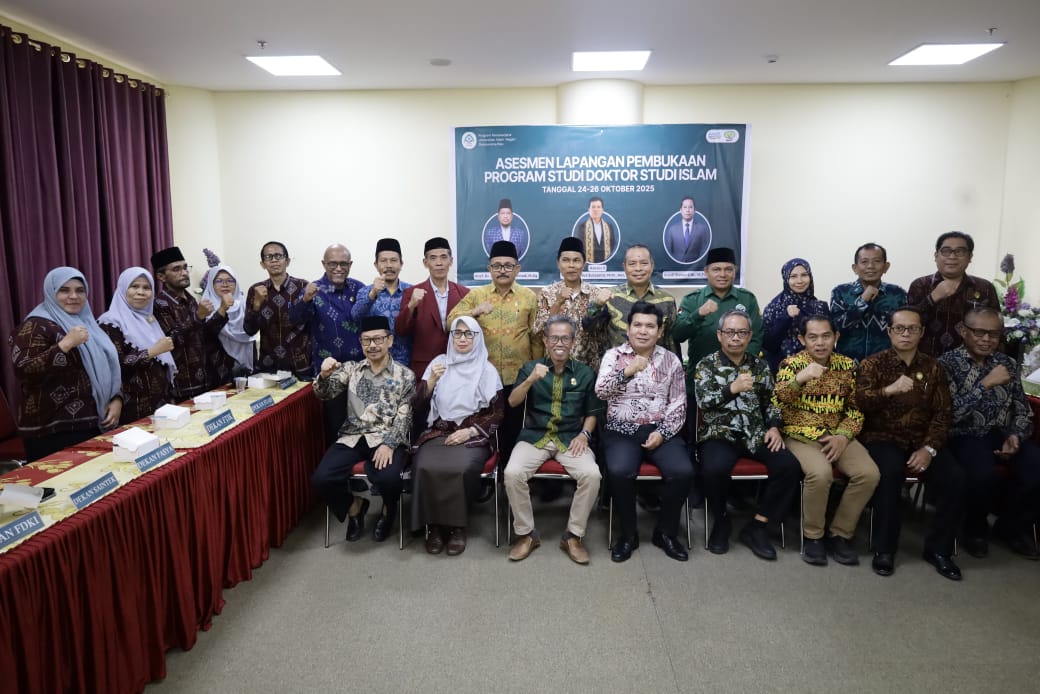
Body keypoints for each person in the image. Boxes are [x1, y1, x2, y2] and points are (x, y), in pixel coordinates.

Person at [856, 306, 964, 579]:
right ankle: (884, 549)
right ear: (889, 331)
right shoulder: (872, 364)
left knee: (955, 478)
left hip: (922, 440)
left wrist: (929, 448)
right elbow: (860, 404)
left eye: (912, 329)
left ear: (921, 332)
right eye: (900, 328)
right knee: (890, 474)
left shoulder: (933, 367)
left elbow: (943, 413)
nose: (906, 334)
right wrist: (888, 390)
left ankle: (939, 550)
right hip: (883, 437)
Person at [693, 310, 801, 560]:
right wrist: (731, 388)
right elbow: (703, 401)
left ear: (750, 336)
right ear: (719, 335)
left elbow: (772, 402)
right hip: (720, 432)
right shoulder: (706, 365)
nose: (736, 337)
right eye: (730, 332)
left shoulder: (759, 365)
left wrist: (774, 426)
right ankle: (721, 520)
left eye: (742, 332)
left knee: (789, 466)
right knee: (713, 469)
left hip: (755, 432)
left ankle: (758, 525)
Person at [773, 314, 879, 567]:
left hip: (837, 434)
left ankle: (840, 534)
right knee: (820, 474)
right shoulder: (791, 364)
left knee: (868, 474)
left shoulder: (847, 366)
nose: (820, 343)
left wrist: (843, 436)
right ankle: (813, 537)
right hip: (800, 434)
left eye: (825, 336)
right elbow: (777, 401)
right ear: (802, 339)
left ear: (836, 337)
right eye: (813, 337)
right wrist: (800, 379)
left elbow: (855, 409)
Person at [939, 307, 1040, 559]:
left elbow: (1023, 410)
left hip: (1002, 433)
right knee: (981, 474)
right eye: (979, 332)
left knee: (1036, 467)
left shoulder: (1008, 364)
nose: (986, 339)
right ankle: (974, 529)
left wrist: (1015, 435)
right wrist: (985, 384)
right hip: (963, 435)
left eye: (993, 334)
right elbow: (947, 416)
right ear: (964, 332)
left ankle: (1010, 528)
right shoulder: (946, 364)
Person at [596, 302, 692, 562]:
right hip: (622, 430)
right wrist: (627, 371)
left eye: (650, 326)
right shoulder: (613, 356)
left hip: (661, 430)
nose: (643, 331)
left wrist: (663, 432)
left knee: (682, 472)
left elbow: (678, 403)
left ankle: (666, 533)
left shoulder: (671, 360)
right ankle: (628, 535)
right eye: (637, 325)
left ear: (659, 332)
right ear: (628, 329)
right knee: (620, 471)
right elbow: (601, 392)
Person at [504, 316, 603, 564]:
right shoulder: (531, 367)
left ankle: (573, 536)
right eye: (555, 338)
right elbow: (513, 402)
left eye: (565, 338)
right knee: (512, 473)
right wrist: (530, 380)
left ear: (573, 342)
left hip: (570, 437)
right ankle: (526, 534)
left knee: (592, 475)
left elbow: (592, 412)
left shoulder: (585, 373)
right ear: (546, 340)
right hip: (535, 436)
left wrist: (584, 434)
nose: (560, 343)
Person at [310, 316, 415, 543]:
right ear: (361, 343)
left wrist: (389, 444)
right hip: (353, 436)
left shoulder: (405, 375)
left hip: (386, 437)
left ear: (389, 341)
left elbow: (405, 416)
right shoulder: (351, 369)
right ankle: (355, 506)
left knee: (389, 478)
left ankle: (388, 509)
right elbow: (324, 394)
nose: (372, 345)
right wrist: (324, 375)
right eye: (367, 340)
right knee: (321, 479)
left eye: (378, 339)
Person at [411, 317, 503, 555]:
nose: (462, 338)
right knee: (423, 465)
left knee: (461, 468)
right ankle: (434, 526)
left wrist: (470, 431)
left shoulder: (486, 369)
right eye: (457, 333)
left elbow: (498, 412)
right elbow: (417, 404)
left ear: (477, 338)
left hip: (472, 434)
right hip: (440, 431)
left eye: (468, 333)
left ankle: (457, 527)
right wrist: (431, 380)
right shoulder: (439, 363)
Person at [10, 267, 122, 461]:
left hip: (95, 423)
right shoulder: (35, 325)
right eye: (64, 290)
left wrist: (116, 399)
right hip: (53, 431)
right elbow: (24, 369)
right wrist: (65, 345)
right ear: (51, 293)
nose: (74, 296)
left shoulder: (88, 323)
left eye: (80, 290)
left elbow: (110, 367)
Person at [448, 240, 543, 458]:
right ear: (489, 268)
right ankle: (487, 474)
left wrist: (535, 374)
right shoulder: (476, 296)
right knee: (484, 430)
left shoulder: (528, 297)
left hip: (518, 378)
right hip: (483, 377)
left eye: (508, 265)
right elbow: (450, 323)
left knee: (514, 430)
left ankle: (510, 472)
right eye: (497, 265)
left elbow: (536, 338)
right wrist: (474, 312)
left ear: (517, 269)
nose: (502, 270)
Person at [289, 243, 365, 443]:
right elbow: (295, 320)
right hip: (330, 373)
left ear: (350, 265)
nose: (338, 268)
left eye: (343, 264)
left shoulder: (359, 288)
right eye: (333, 264)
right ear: (324, 264)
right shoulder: (313, 290)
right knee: (336, 429)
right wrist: (305, 300)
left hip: (360, 370)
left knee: (363, 425)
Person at [97, 267, 175, 424]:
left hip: (160, 404)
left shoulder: (149, 319)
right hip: (131, 406)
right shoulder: (109, 322)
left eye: (146, 288)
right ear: (123, 289)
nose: (141, 292)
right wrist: (153, 351)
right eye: (134, 286)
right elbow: (115, 365)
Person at [583, 244, 680, 368]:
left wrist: (677, 369)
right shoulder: (611, 297)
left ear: (652, 266)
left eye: (644, 263)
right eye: (632, 264)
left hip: (656, 372)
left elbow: (671, 341)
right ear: (624, 267)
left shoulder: (666, 299)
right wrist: (596, 305)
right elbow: (588, 327)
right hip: (617, 370)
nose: (638, 268)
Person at [907, 231, 999, 357]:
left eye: (959, 251)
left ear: (970, 257)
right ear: (936, 255)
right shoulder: (920, 285)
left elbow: (996, 330)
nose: (952, 256)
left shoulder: (984, 288)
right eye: (946, 251)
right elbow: (908, 325)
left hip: (970, 362)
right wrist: (932, 298)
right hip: (926, 361)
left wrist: (998, 362)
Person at [395, 237, 470, 383]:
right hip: (425, 367)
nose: (439, 263)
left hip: (458, 364)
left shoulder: (464, 293)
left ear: (451, 261)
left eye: (443, 257)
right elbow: (401, 330)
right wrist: (411, 305)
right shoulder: (411, 293)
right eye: (433, 258)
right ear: (425, 262)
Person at [674, 247, 763, 370]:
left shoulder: (747, 299)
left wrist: (741, 366)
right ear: (706, 272)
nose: (723, 274)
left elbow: (756, 338)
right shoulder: (692, 300)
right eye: (716, 269)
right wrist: (698, 314)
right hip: (700, 374)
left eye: (728, 269)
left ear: (735, 271)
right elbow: (678, 335)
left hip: (740, 372)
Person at [152, 246, 217, 400]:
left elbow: (202, 335)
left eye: (185, 267)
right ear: (161, 276)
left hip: (205, 382)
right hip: (181, 388)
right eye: (176, 269)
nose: (184, 273)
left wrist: (222, 312)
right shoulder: (159, 304)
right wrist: (198, 316)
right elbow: (171, 341)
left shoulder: (191, 300)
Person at [243, 241, 313, 379]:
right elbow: (249, 330)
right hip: (268, 366)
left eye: (278, 256)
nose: (274, 260)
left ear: (287, 261)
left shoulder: (303, 286)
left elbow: (311, 322)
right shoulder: (255, 290)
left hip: (300, 365)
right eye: (268, 257)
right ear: (263, 264)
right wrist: (256, 305)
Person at [830, 243, 908, 363]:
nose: (870, 266)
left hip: (886, 365)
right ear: (855, 268)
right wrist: (862, 300)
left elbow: (904, 330)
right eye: (864, 262)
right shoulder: (841, 292)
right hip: (847, 365)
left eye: (877, 261)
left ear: (886, 267)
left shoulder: (897, 294)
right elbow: (835, 329)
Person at [535, 237, 598, 369]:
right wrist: (558, 302)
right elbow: (540, 330)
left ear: (584, 264)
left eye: (576, 260)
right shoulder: (547, 293)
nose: (571, 265)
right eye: (566, 260)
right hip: (555, 366)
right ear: (558, 264)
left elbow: (601, 333)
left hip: (587, 367)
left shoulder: (595, 294)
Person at [352, 238, 413, 367]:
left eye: (394, 260)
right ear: (376, 265)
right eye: (383, 261)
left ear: (401, 264)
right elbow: (355, 316)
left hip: (405, 362)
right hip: (374, 362)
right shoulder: (365, 291)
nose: (389, 265)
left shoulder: (411, 291)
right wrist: (373, 293)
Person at [762, 258, 829, 372]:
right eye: (793, 276)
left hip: (817, 369)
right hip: (783, 370)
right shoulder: (774, 307)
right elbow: (768, 345)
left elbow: (829, 341)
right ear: (786, 278)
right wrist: (785, 317)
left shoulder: (819, 307)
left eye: (804, 275)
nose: (800, 281)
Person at [200, 264, 255, 385]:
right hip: (217, 368)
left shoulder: (244, 305)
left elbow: (251, 331)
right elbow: (206, 335)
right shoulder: (205, 307)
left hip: (247, 368)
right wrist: (223, 308)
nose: (225, 285)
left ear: (236, 284)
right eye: (219, 281)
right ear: (211, 284)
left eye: (230, 280)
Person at [664, 195, 710, 264]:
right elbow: (669, 250)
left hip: (696, 266)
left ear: (694, 210)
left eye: (690, 207)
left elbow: (704, 250)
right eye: (685, 207)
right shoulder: (672, 229)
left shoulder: (702, 229)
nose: (688, 210)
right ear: (681, 210)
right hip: (675, 266)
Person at [580, 196, 614, 263]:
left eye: (598, 207)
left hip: (607, 262)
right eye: (593, 207)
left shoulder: (609, 227)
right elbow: (580, 246)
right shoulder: (581, 227)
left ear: (602, 210)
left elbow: (612, 244)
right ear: (589, 210)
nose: (596, 210)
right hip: (587, 263)